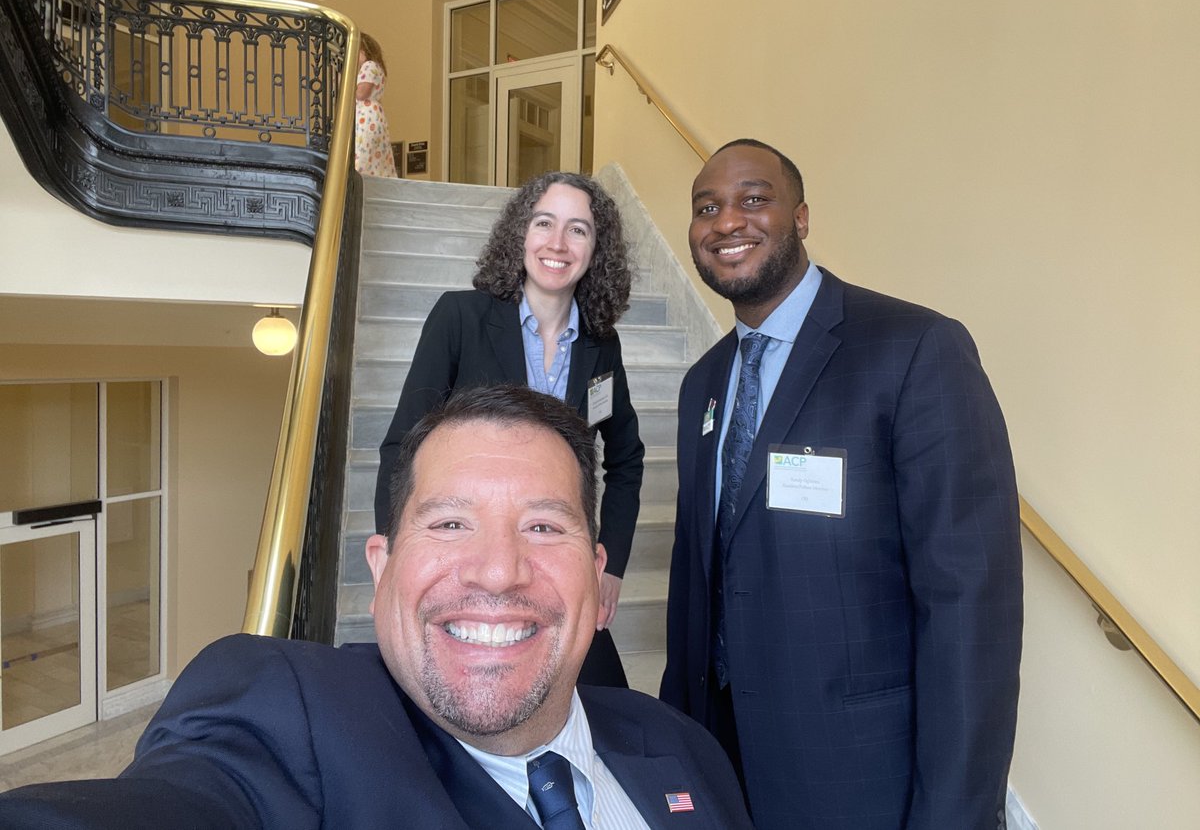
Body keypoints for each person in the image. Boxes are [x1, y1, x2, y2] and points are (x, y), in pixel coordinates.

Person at [0, 386, 753, 830]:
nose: (498, 570)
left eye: (544, 526)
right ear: (381, 568)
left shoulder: (683, 745)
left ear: (598, 585)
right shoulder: (289, 714)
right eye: (450, 522)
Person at [661, 139, 1023, 830]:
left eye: (753, 199)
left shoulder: (913, 349)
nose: (727, 221)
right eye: (707, 208)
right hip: (724, 760)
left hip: (861, 773)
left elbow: (969, 600)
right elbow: (696, 574)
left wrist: (958, 812)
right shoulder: (702, 384)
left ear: (800, 218)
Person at [375, 171, 644, 688]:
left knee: (606, 696)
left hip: (551, 550)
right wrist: (397, 553)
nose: (558, 244)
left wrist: (610, 564)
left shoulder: (600, 344)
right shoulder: (460, 317)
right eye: (544, 223)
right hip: (472, 549)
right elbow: (401, 446)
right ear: (521, 232)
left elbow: (626, 459)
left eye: (578, 230)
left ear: (595, 249)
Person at [354, 32, 397, 177]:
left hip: (366, 115)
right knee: (375, 155)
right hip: (373, 114)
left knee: (363, 151)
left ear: (364, 51)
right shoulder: (375, 67)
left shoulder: (369, 66)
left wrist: (346, 86)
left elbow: (361, 93)